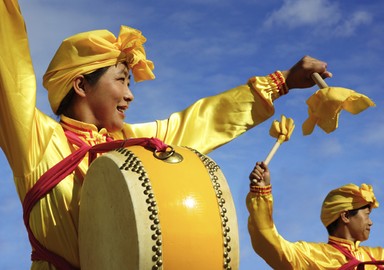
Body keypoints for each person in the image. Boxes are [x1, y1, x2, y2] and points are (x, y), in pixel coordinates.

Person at [0, 0, 332, 269]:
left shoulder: (131, 145)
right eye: (121, 80)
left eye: (130, 83)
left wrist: (282, 81)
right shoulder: (36, 141)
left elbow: (202, 120)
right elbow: (8, 66)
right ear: (80, 84)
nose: (130, 95)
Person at [246, 161, 384, 269]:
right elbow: (270, 243)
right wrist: (261, 193)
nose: (371, 222)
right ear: (345, 216)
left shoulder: (375, 256)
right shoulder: (313, 256)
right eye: (366, 215)